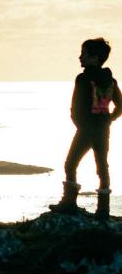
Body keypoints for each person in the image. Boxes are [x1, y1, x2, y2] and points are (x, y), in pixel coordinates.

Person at [50, 38, 122, 219]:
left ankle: (69, 203)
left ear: (95, 57)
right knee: (102, 166)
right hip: (103, 129)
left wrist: (80, 124)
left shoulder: (82, 78)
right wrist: (108, 120)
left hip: (86, 129)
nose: (80, 57)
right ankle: (103, 211)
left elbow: (75, 108)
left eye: (84, 54)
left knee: (70, 164)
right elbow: (121, 106)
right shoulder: (111, 80)